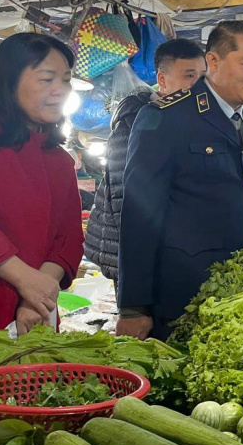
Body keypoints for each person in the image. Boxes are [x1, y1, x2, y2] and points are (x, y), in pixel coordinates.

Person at [116, 21, 243, 340]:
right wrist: (134, 307)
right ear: (213, 62)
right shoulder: (167, 117)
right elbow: (139, 217)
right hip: (182, 297)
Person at [0, 33, 83, 338]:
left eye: (65, 79)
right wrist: (24, 277)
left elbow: (68, 241)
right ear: (10, 81)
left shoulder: (60, 160)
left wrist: (37, 294)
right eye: (46, 78)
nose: (60, 90)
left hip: (30, 318)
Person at [84, 39, 206, 281]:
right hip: (133, 254)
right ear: (162, 80)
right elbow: (123, 197)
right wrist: (140, 261)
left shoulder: (190, 120)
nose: (198, 85)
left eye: (203, 76)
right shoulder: (136, 120)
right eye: (189, 76)